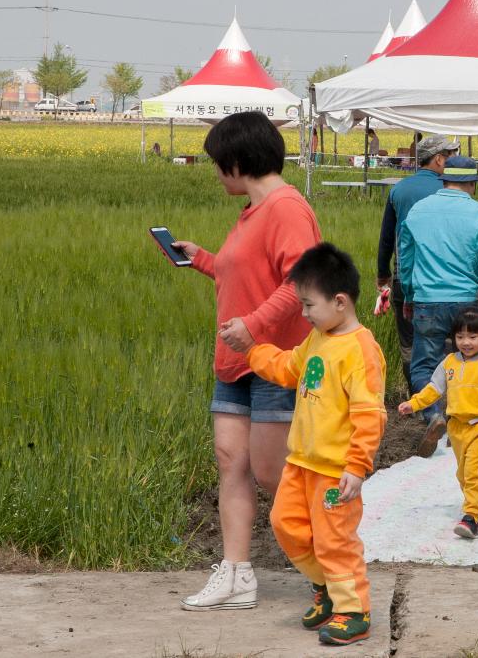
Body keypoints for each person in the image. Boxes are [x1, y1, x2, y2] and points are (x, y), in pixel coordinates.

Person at [175, 111, 321, 612]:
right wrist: (202, 259)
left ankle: (330, 567)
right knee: (230, 463)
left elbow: (301, 282)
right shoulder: (252, 212)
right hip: (234, 361)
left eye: (219, 162)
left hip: (273, 361)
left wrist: (254, 326)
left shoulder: (286, 207)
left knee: (271, 473)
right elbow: (246, 279)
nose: (216, 172)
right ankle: (236, 575)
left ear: (239, 159)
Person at [221, 242, 386, 647]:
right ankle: (327, 587)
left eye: (309, 305)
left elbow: (370, 415)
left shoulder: (361, 350)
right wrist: (253, 351)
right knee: (286, 526)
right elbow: (289, 368)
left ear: (340, 301)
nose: (304, 313)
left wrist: (357, 466)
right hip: (302, 463)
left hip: (334, 470)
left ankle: (353, 610)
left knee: (335, 540)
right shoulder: (318, 340)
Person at [398, 155, 478, 449]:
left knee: (423, 365)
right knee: (470, 361)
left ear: (444, 180)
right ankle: (468, 420)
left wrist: (408, 294)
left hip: (427, 300)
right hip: (467, 301)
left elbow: (405, 259)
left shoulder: (418, 211)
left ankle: (432, 414)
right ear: (471, 183)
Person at [397, 307, 478, 540]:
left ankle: (471, 516)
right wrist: (415, 403)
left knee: (472, 471)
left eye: (473, 336)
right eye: (460, 337)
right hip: (456, 427)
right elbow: (434, 389)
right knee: (462, 473)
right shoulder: (449, 362)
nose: (466, 342)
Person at [375, 134, 459, 387]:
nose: (454, 160)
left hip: (405, 277)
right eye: (451, 155)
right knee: (445, 340)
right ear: (438, 159)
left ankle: (416, 398)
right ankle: (443, 398)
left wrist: (383, 273)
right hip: (445, 280)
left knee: (409, 342)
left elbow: (387, 237)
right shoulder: (450, 189)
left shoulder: (398, 190)